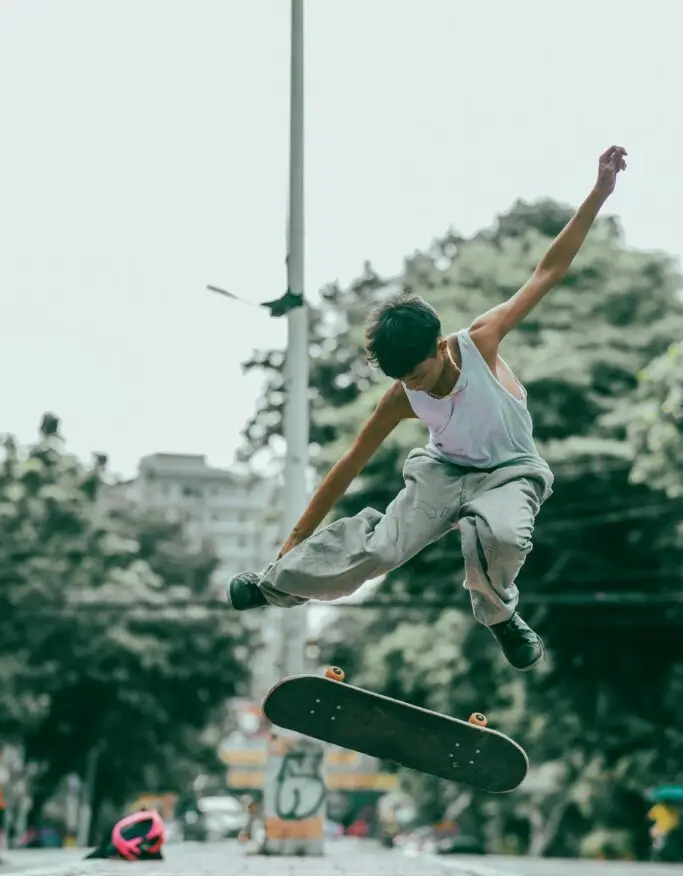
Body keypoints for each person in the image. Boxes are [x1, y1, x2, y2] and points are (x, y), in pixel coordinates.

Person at [227, 146, 627, 671]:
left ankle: (501, 616)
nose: (414, 387)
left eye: (416, 373)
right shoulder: (401, 396)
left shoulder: (481, 342)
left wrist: (598, 193)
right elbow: (349, 464)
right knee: (379, 552)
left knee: (501, 534)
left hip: (510, 475)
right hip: (442, 473)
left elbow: (547, 271)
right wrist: (294, 540)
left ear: (439, 347)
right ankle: (273, 584)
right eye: (402, 380)